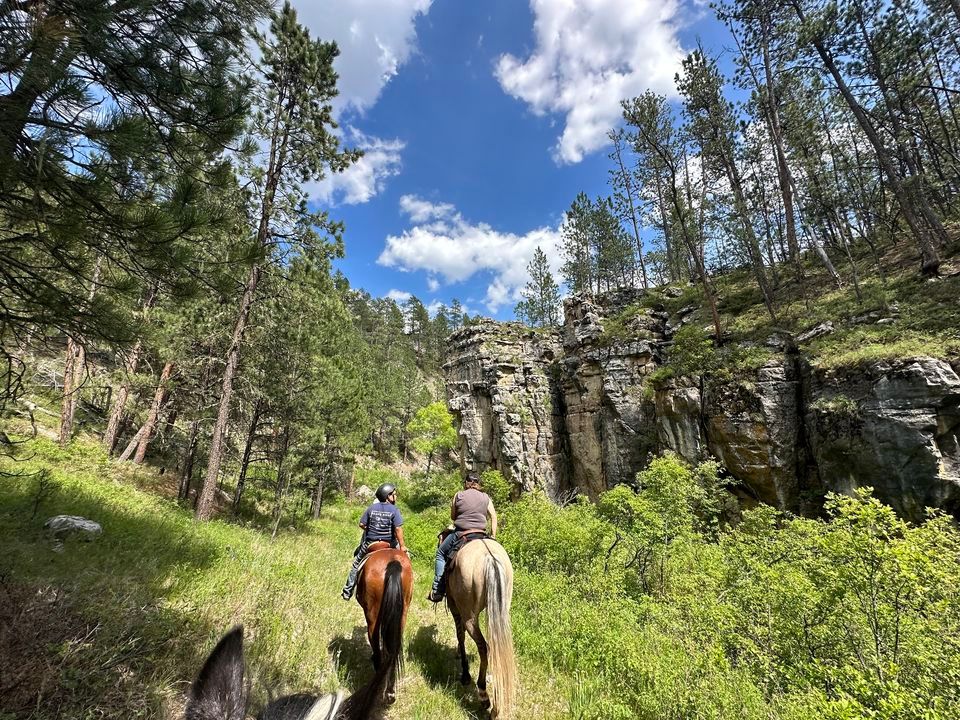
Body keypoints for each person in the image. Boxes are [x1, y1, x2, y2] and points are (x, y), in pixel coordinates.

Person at [427, 471, 497, 602]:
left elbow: (453, 517)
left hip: (461, 533)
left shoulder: (458, 495)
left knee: (441, 553)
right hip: (481, 534)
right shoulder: (486, 497)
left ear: (466, 483)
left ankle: (437, 590)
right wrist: (493, 536)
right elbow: (493, 516)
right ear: (478, 484)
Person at [341, 483, 406, 600]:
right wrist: (402, 546)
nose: (395, 497)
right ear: (388, 496)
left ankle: (347, 590)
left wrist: (370, 528)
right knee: (405, 560)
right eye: (394, 494)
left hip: (371, 543)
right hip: (389, 543)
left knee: (356, 564)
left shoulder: (371, 508)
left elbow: (362, 524)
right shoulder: (394, 510)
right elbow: (398, 528)